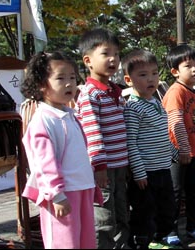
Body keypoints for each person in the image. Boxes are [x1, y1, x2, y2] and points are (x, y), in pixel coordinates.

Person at [20, 51, 97, 249]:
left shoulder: (70, 115)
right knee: (64, 242)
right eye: (60, 78)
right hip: (62, 193)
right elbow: (43, 163)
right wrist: (56, 195)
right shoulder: (43, 120)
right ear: (41, 84)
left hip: (82, 188)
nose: (69, 83)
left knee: (86, 241)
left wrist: (91, 183)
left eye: (72, 77)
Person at [74, 28, 130, 249]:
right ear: (88, 60)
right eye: (106, 54)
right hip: (102, 169)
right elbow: (92, 132)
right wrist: (99, 166)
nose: (113, 59)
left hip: (119, 165)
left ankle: (122, 245)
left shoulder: (114, 91)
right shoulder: (90, 94)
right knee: (104, 216)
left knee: (122, 212)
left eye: (116, 54)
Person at [122, 49, 180, 249]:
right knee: (145, 212)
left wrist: (174, 153)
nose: (151, 79)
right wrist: (138, 173)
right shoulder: (133, 108)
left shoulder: (156, 102)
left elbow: (163, 134)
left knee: (167, 209)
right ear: (129, 80)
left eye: (154, 73)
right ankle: (142, 242)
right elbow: (131, 143)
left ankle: (157, 239)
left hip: (163, 167)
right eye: (143, 75)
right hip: (146, 173)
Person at [161, 44, 195, 244]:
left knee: (193, 191)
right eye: (188, 65)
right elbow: (175, 122)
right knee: (173, 192)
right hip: (177, 151)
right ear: (175, 71)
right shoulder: (176, 92)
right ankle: (169, 230)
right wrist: (183, 148)